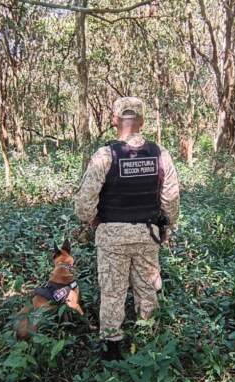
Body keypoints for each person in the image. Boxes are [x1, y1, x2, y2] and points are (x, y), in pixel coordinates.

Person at [75, 97, 180, 360]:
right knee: (147, 289)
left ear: (114, 120)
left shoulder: (105, 155)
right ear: (142, 121)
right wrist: (167, 226)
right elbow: (171, 199)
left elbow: (84, 204)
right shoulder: (160, 154)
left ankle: (112, 349)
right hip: (147, 234)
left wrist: (93, 221)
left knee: (112, 292)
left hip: (112, 237)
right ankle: (149, 345)